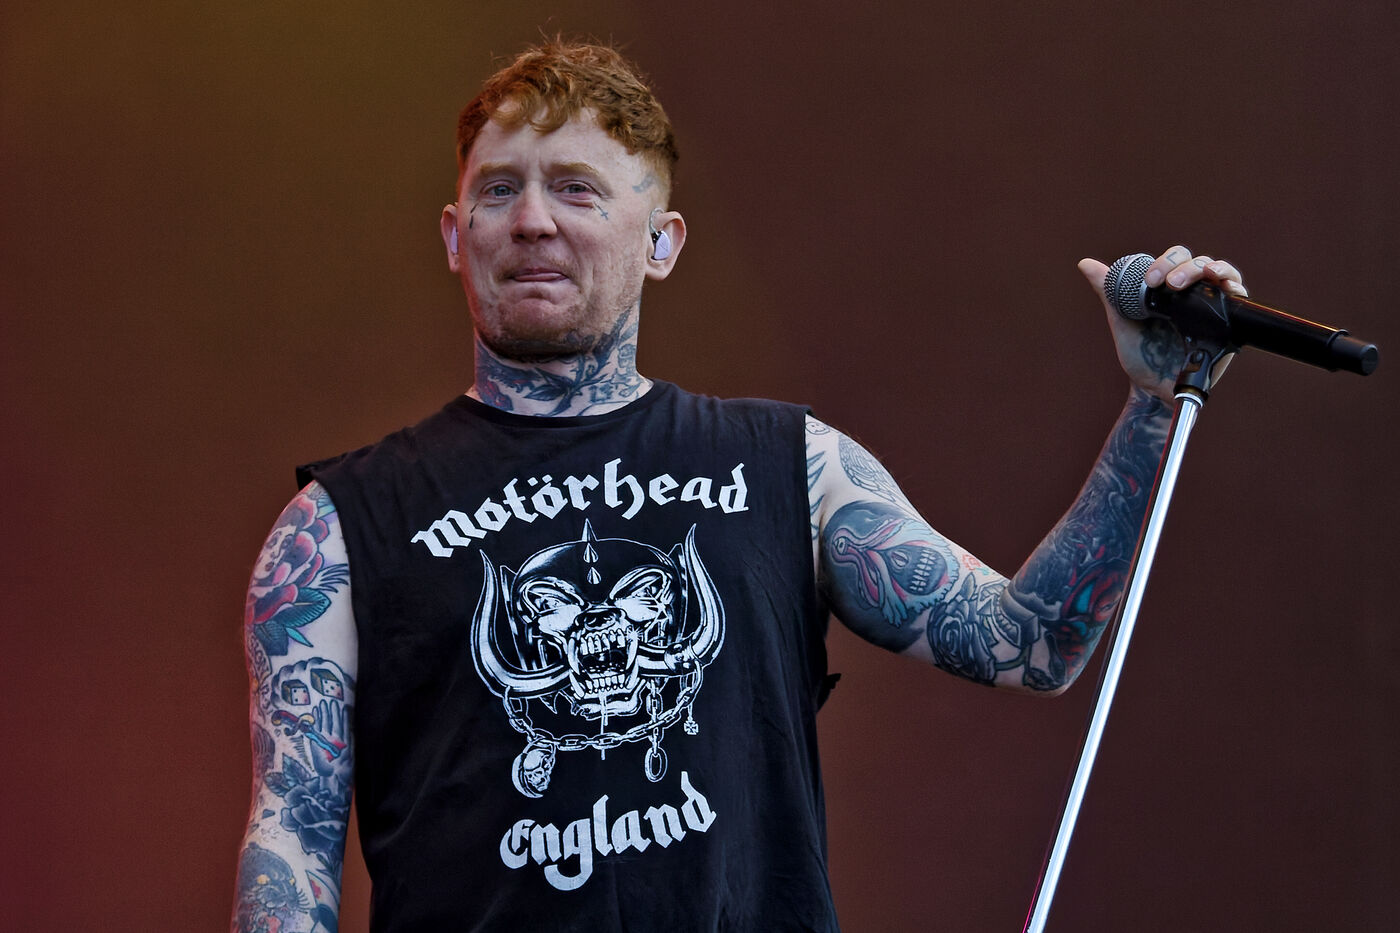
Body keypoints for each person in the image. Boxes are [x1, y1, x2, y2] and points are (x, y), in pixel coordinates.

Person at [232, 39, 1248, 933]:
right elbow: (291, 841)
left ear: (661, 242)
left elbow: (1030, 640)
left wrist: (1152, 409)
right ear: (456, 236)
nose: (532, 219)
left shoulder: (788, 467)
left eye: (576, 188)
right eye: (499, 190)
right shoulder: (337, 531)